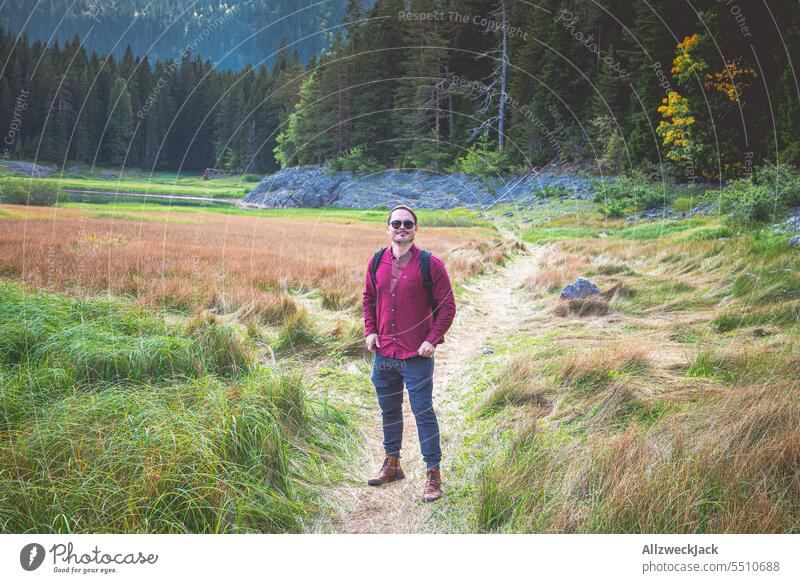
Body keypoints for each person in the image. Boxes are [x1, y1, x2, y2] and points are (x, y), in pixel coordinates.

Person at [362, 204, 456, 502]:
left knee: (423, 412)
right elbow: (367, 298)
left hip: (417, 355)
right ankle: (392, 465)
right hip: (384, 353)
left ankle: (433, 475)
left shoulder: (431, 264)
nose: (401, 227)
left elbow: (448, 306)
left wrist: (432, 338)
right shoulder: (377, 260)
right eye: (396, 223)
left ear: (416, 229)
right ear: (387, 228)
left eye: (408, 224)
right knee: (389, 410)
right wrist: (370, 330)